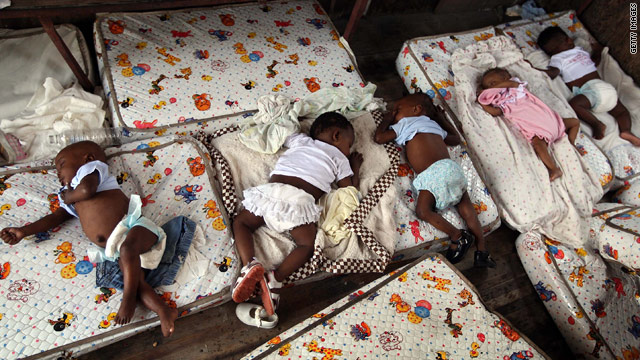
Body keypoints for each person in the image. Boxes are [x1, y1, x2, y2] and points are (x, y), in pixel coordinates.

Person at [0, 141, 178, 337]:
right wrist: (24, 231)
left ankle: (128, 298)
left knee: (128, 254)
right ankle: (163, 310)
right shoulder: (71, 195)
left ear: (87, 158)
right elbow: (56, 217)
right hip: (116, 248)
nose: (57, 172)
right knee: (136, 280)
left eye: (61, 164)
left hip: (137, 229)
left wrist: (68, 197)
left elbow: (87, 190)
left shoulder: (92, 171)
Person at [232, 112, 363, 316]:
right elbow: (349, 189)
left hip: (272, 193)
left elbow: (284, 132)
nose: (349, 150)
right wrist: (355, 167)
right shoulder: (340, 158)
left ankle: (249, 264)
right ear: (337, 136)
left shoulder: (302, 141)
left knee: (242, 223)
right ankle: (276, 278)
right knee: (306, 245)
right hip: (298, 203)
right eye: (349, 144)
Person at [374, 93, 496, 268]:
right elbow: (455, 139)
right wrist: (441, 118)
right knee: (466, 208)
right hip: (452, 169)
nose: (394, 112)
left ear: (416, 110)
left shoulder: (405, 123)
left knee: (423, 211)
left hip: (433, 173)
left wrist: (387, 119)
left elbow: (379, 138)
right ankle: (482, 249)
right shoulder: (433, 125)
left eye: (397, 109)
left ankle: (457, 235)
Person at [537, 26, 640, 146]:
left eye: (552, 50)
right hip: (607, 90)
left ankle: (596, 123)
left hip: (591, 92)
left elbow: (553, 73)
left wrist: (534, 69)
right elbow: (595, 61)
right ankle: (626, 130)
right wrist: (598, 50)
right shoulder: (581, 52)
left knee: (575, 104)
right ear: (569, 40)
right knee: (622, 112)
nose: (553, 53)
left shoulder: (558, 58)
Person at [478, 67, 580, 181]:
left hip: (552, 120)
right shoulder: (500, 101)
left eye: (493, 83)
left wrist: (486, 91)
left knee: (575, 122)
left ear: (505, 78)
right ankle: (554, 168)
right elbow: (495, 112)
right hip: (537, 129)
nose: (491, 87)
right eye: (487, 86)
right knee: (538, 145)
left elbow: (510, 83)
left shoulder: (516, 86)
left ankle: (571, 143)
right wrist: (482, 102)